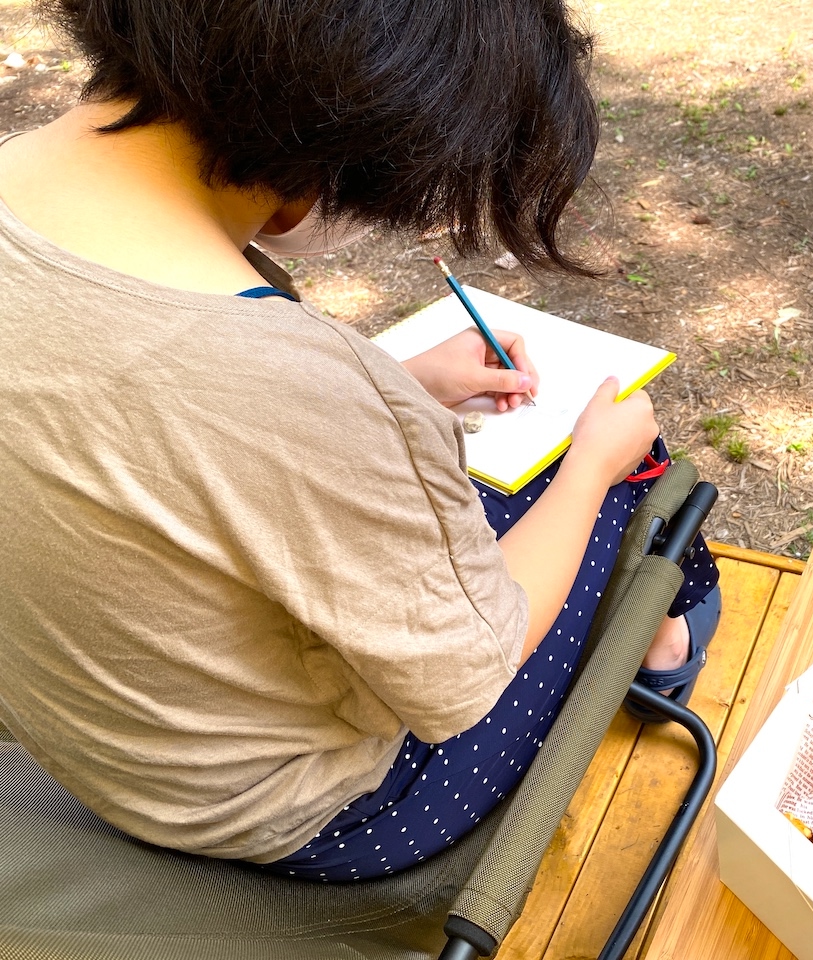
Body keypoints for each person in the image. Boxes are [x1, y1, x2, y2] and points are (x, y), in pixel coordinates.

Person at [0, 0, 720, 882]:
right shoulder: (303, 392)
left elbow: (141, 429)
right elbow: (465, 675)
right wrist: (590, 470)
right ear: (320, 159)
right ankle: (665, 646)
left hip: (99, 732)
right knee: (629, 478)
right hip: (303, 810)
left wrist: (396, 385)